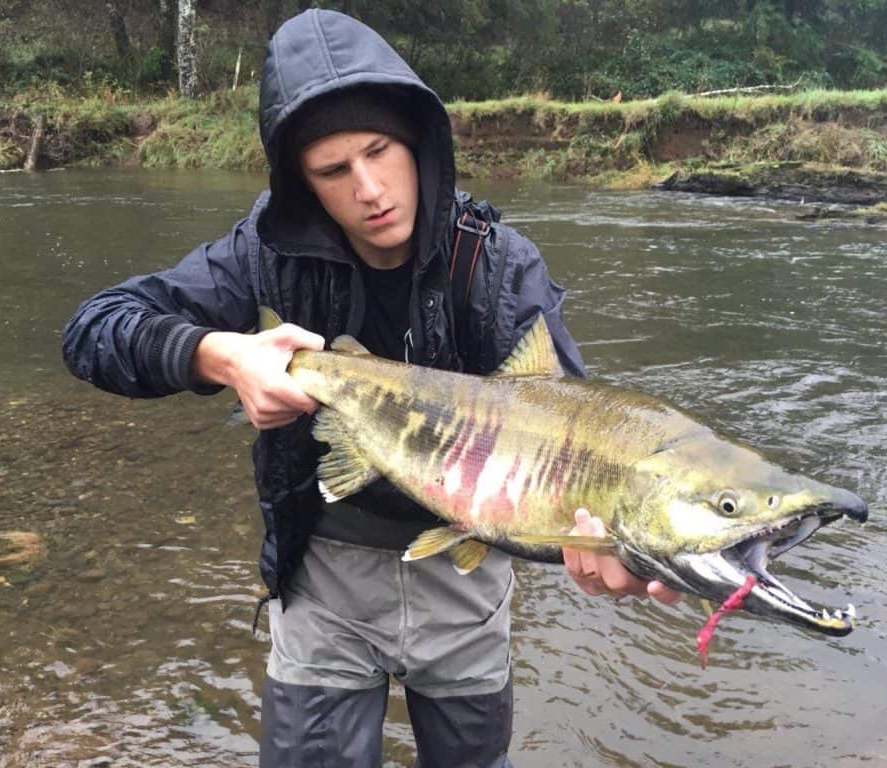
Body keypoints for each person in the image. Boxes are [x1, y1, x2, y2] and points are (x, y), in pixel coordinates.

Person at [62, 9, 679, 767]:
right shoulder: (262, 255)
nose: (369, 189)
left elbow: (582, 436)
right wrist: (218, 357)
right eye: (332, 172)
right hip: (321, 572)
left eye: (380, 151)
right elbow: (94, 329)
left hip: (466, 576)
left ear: (417, 141)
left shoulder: (498, 266)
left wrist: (607, 540)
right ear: (303, 184)